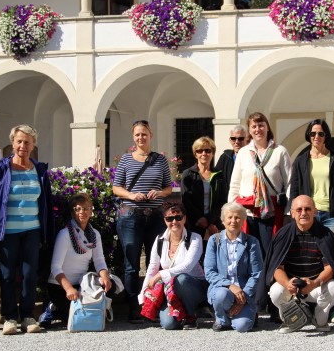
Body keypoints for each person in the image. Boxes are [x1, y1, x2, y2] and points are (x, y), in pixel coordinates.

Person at [0, 125, 54, 335]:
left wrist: (48, 232)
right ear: (12, 143)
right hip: (6, 232)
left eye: (27, 142)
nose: (23, 145)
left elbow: (46, 203)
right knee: (7, 276)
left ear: (33, 144)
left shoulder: (39, 170)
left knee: (29, 275)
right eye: (19, 141)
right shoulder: (1, 169)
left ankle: (28, 316)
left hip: (32, 230)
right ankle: (10, 317)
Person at [262, 195, 334, 333]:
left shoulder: (326, 235)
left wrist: (314, 283)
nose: (303, 213)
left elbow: (331, 267)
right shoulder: (283, 235)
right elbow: (277, 268)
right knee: (276, 291)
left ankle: (319, 318)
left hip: (316, 286)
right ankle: (290, 319)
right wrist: (288, 284)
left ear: (315, 212)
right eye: (299, 209)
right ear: (292, 213)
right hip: (291, 288)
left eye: (307, 209)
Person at [112, 119, 173, 323]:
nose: (141, 137)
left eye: (144, 134)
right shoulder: (126, 160)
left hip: (155, 216)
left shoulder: (160, 160)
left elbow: (168, 188)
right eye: (137, 134)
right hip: (131, 216)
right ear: (133, 137)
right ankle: (133, 308)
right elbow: (116, 187)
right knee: (131, 264)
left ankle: (151, 305)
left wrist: (159, 192)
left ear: (150, 136)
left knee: (154, 263)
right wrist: (131, 195)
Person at [228, 112, 292, 258]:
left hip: (271, 213)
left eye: (261, 125)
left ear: (267, 127)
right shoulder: (243, 153)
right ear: (249, 131)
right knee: (248, 254)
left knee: (269, 253)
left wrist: (288, 212)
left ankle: (269, 274)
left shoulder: (279, 151)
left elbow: (289, 183)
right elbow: (235, 184)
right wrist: (231, 212)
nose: (258, 129)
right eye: (254, 126)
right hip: (247, 212)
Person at [139, 202, 207, 330]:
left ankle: (191, 315)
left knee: (181, 278)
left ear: (184, 218)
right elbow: (152, 268)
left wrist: (160, 274)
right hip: (170, 290)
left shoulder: (195, 238)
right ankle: (180, 313)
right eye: (169, 218)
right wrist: (144, 293)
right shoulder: (159, 240)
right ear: (165, 220)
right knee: (168, 324)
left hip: (194, 287)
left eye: (178, 217)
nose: (174, 222)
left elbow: (187, 266)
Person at [48, 193, 113, 324]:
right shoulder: (64, 234)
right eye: (78, 209)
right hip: (61, 286)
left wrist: (105, 277)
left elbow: (99, 260)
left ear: (91, 211)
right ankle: (52, 308)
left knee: (111, 286)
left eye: (86, 208)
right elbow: (55, 267)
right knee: (77, 317)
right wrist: (69, 289)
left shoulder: (95, 234)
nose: (82, 212)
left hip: (82, 285)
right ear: (73, 213)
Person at [204, 202, 263, 332]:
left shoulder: (251, 242)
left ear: (243, 220)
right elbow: (209, 271)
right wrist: (230, 286)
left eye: (237, 217)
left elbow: (256, 274)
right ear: (223, 220)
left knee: (242, 326)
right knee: (221, 295)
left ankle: (247, 313)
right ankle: (222, 319)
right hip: (222, 289)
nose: (233, 221)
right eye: (229, 217)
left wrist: (243, 298)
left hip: (244, 292)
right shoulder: (214, 240)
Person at [290, 119, 334, 236]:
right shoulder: (300, 161)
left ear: (326, 136)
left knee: (330, 247)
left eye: (321, 134)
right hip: (308, 214)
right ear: (309, 135)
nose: (316, 137)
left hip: (332, 216)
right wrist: (294, 213)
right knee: (309, 247)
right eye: (313, 134)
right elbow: (294, 190)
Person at [181, 136, 228, 246]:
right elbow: (186, 200)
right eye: (199, 151)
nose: (204, 153)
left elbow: (222, 201)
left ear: (212, 153)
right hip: (194, 223)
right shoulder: (188, 174)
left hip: (215, 225)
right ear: (195, 154)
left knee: (215, 253)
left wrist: (209, 221)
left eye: (207, 150)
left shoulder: (219, 175)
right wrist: (201, 220)